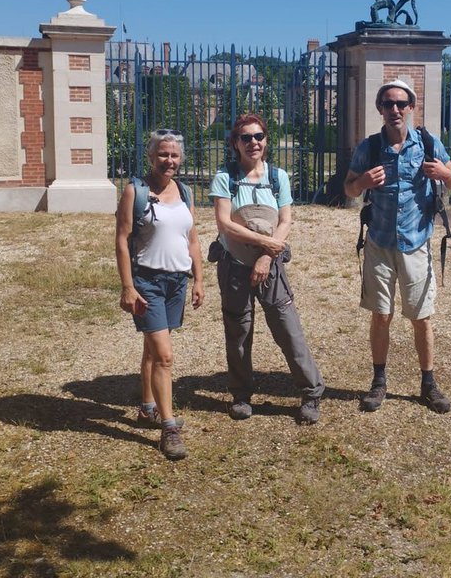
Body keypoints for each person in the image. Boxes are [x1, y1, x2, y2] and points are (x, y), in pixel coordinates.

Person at [343, 80, 451, 414]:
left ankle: (428, 384)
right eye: (388, 104)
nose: (394, 109)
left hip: (415, 242)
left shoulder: (428, 143)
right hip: (379, 243)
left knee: (421, 317)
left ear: (411, 107)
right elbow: (349, 188)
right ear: (380, 108)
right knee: (381, 315)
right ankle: (379, 382)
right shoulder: (369, 147)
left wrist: (444, 173)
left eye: (400, 103)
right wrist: (363, 182)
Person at [210, 113, 325, 425]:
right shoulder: (225, 178)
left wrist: (266, 257)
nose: (253, 143)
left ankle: (311, 392)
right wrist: (266, 243)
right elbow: (224, 224)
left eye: (258, 136)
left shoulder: (278, 177)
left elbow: (285, 220)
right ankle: (241, 395)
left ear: (266, 140)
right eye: (246, 138)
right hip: (234, 264)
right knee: (238, 330)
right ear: (235, 143)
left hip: (270, 266)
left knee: (287, 328)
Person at [115, 129, 204, 460]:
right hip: (148, 283)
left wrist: (198, 279)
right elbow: (122, 239)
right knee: (165, 356)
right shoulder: (135, 191)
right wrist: (128, 286)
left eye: (175, 155)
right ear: (151, 156)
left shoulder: (185, 191)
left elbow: (192, 239)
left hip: (176, 282)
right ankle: (169, 428)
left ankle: (147, 408)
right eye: (163, 154)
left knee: (153, 350)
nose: (169, 160)